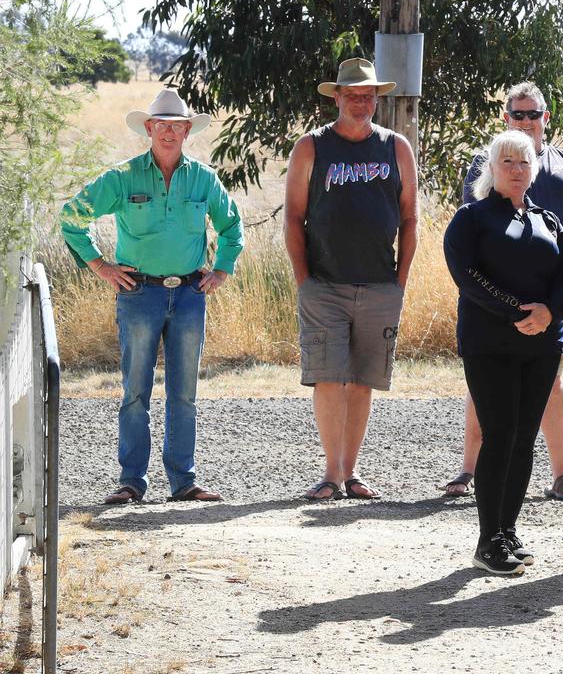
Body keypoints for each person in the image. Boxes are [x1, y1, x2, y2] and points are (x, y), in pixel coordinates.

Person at [61, 88, 244, 504]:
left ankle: (184, 483)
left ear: (186, 131)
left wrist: (222, 269)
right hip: (138, 293)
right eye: (161, 125)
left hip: (189, 295)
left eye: (176, 126)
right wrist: (99, 265)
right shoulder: (123, 178)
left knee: (184, 393)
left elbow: (232, 226)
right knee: (135, 392)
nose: (168, 132)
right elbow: (72, 216)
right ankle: (132, 482)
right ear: (149, 128)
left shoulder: (203, 178)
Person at [441, 82, 563, 502]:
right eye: (517, 114)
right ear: (505, 119)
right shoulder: (482, 162)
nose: (526, 121)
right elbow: (471, 229)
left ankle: (561, 475)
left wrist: (553, 298)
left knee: (552, 382)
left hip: (552, 301)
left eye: (533, 114)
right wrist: (506, 301)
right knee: (483, 385)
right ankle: (470, 469)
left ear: (547, 117)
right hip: (490, 302)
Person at [283, 57, 418, 501]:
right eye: (352, 95)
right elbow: (294, 218)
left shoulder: (395, 147)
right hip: (324, 284)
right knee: (328, 377)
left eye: (368, 96)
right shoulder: (313, 147)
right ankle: (329, 472)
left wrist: (399, 281)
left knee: (362, 380)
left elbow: (410, 218)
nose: (361, 103)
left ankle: (350, 471)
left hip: (379, 284)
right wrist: (304, 280)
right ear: (336, 97)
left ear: (376, 99)